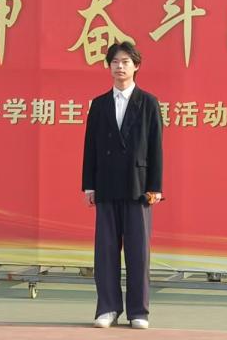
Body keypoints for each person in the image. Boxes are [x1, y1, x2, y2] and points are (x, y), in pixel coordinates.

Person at [82, 41, 163, 330]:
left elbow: (155, 147)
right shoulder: (99, 104)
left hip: (138, 187)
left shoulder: (148, 102)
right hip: (106, 185)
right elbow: (90, 147)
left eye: (126, 62)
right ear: (109, 66)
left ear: (136, 66)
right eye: (115, 62)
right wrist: (89, 185)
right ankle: (107, 308)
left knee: (138, 251)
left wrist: (155, 186)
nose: (120, 67)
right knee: (105, 251)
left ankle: (139, 311)